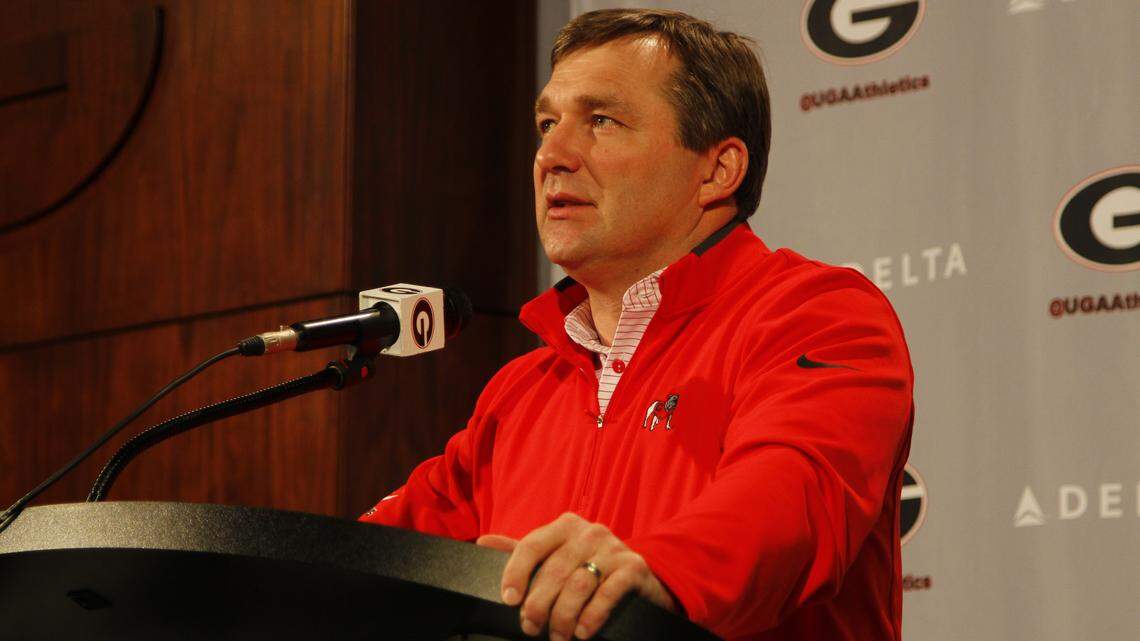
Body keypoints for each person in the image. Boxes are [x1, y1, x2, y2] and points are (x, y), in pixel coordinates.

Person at [360, 9, 914, 641]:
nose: (552, 155)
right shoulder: (519, 393)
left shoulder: (817, 315)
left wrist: (654, 575)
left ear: (717, 170)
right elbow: (372, 565)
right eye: (547, 124)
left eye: (602, 121)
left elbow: (792, 496)